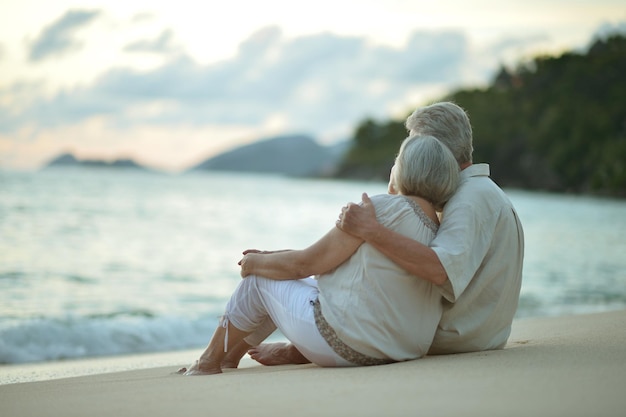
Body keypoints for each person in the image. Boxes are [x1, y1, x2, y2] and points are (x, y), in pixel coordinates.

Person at [248, 101, 524, 365]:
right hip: (476, 334)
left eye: (416, 145)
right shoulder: (481, 192)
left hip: (455, 338)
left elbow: (440, 269)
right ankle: (304, 345)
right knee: (335, 275)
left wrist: (372, 230)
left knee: (330, 279)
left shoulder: (469, 199)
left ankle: (295, 347)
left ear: (434, 149)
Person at [177, 135, 459, 375]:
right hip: (401, 349)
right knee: (286, 280)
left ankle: (207, 362)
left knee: (258, 281)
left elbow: (305, 264)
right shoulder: (440, 228)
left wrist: (255, 263)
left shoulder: (381, 208)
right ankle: (227, 357)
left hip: (345, 345)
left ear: (406, 170)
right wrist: (273, 258)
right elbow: (322, 267)